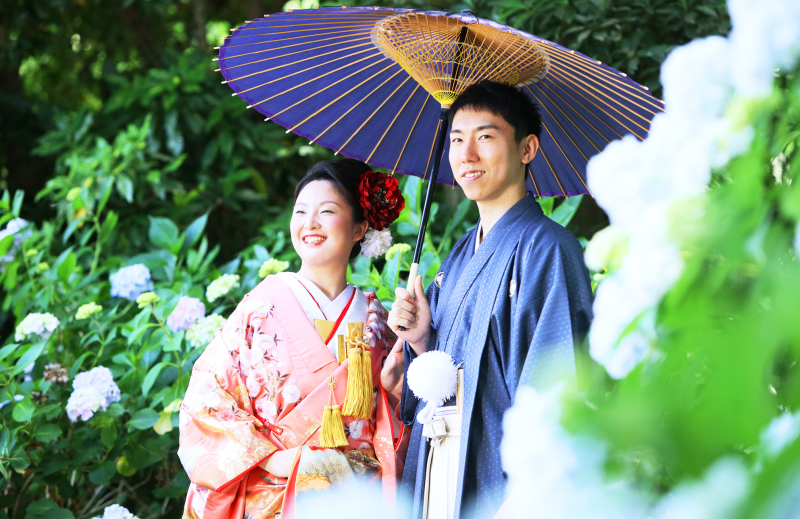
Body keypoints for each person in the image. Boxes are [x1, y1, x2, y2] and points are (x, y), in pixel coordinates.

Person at [384, 80, 594, 519]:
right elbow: (444, 376)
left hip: (505, 484)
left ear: (526, 148)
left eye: (485, 137)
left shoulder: (549, 250)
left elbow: (560, 383)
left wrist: (528, 495)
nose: (467, 155)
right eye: (457, 140)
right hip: (442, 464)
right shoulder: (460, 254)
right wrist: (422, 339)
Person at [178, 159, 408, 518]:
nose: (309, 223)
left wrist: (396, 388)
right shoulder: (261, 307)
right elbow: (206, 395)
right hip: (274, 491)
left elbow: (394, 423)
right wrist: (274, 459)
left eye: (327, 211)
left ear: (360, 228)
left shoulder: (380, 323)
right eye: (300, 211)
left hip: (355, 498)